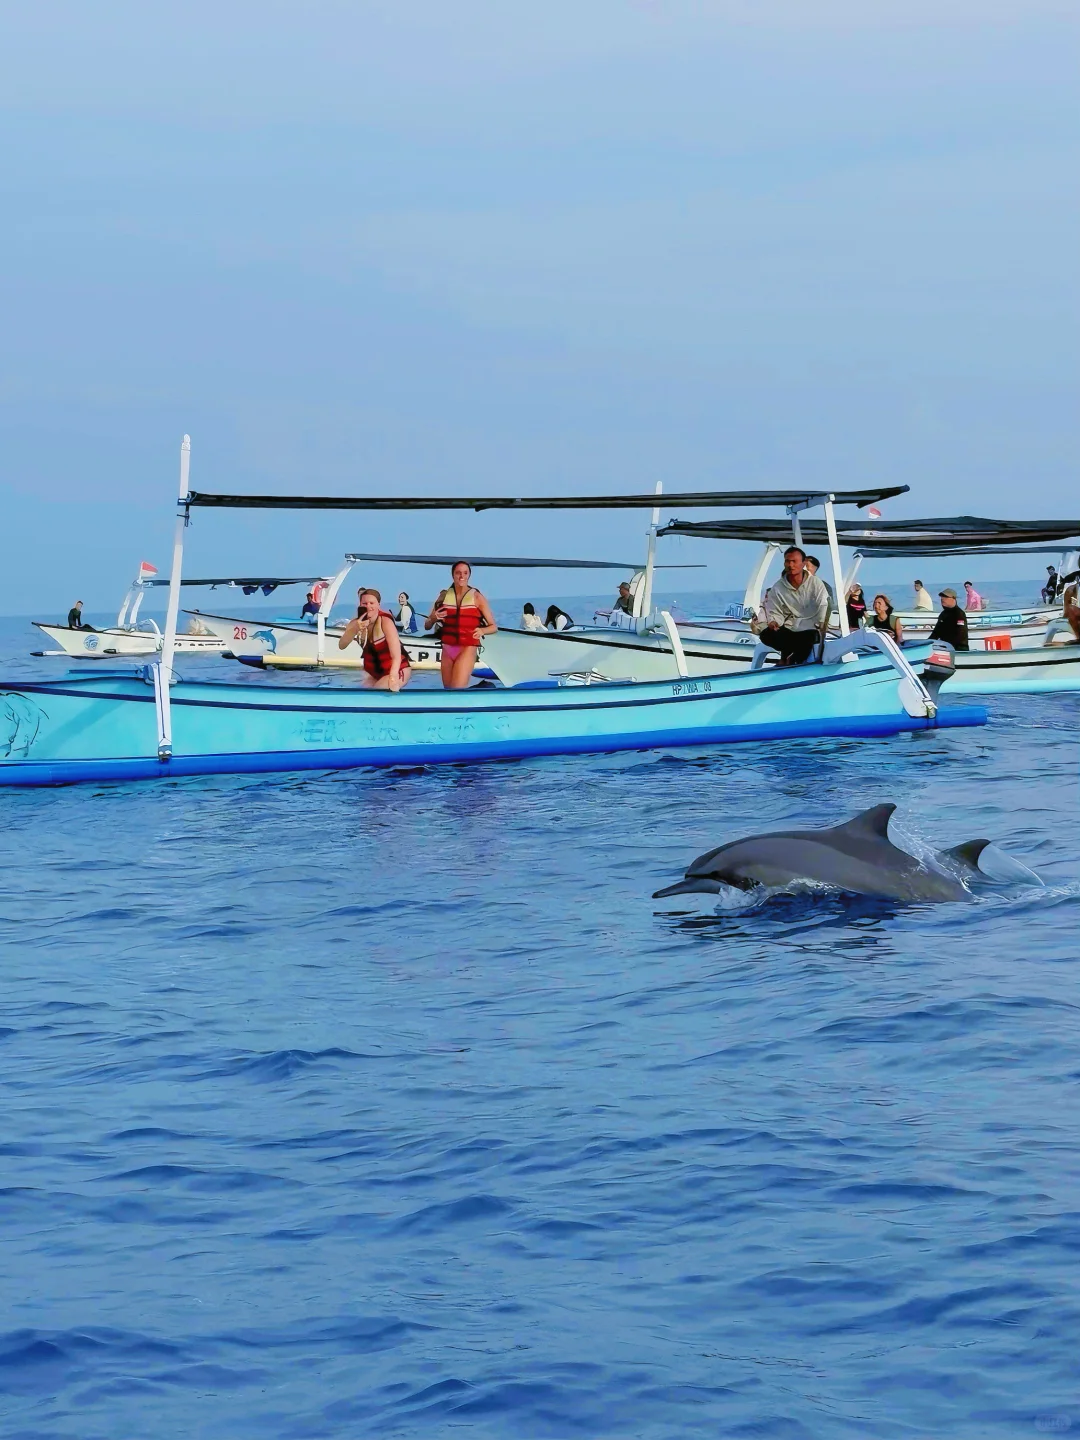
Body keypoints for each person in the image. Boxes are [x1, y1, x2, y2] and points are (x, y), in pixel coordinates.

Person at [426, 561, 497, 690]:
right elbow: (427, 625)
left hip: (467, 648)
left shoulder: (477, 597)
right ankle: (481, 688)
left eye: (465, 573)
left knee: (456, 691)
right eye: (458, 573)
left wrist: (482, 631)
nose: (461, 576)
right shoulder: (444, 596)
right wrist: (433, 618)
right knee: (448, 691)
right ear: (453, 575)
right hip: (447, 649)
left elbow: (493, 626)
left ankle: (483, 690)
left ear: (469, 575)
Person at [758, 546, 829, 665]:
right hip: (791, 629)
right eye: (787, 561)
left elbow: (823, 603)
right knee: (766, 635)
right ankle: (788, 657)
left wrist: (821, 622)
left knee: (809, 638)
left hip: (811, 627)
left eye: (794, 561)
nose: (791, 565)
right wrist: (774, 622)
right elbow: (774, 610)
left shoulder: (815, 582)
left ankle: (790, 660)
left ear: (803, 563)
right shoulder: (778, 587)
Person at [338, 588, 411, 691]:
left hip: (398, 668)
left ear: (378, 605)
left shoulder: (385, 622)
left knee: (379, 690)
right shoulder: (355, 623)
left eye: (372, 603)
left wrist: (393, 677)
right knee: (364, 693)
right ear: (360, 605)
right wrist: (354, 629)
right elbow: (342, 645)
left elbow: (396, 655)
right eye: (364, 603)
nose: (368, 606)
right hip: (376, 672)